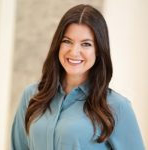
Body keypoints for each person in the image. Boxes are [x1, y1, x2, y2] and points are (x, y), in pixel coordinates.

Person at [11, 4, 145, 150]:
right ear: (58, 45)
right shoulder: (32, 96)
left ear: (99, 50)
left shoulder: (117, 107)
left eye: (86, 44)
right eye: (67, 41)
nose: (74, 52)